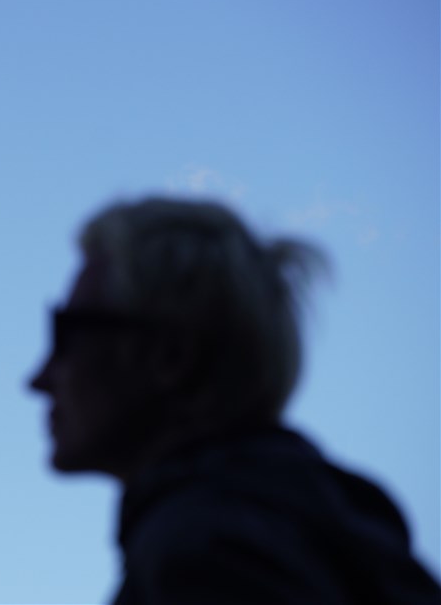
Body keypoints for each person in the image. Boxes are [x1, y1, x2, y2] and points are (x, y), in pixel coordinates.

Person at [31, 197, 441, 604]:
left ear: (171, 357)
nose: (38, 380)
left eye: (66, 334)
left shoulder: (201, 553)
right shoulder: (312, 531)